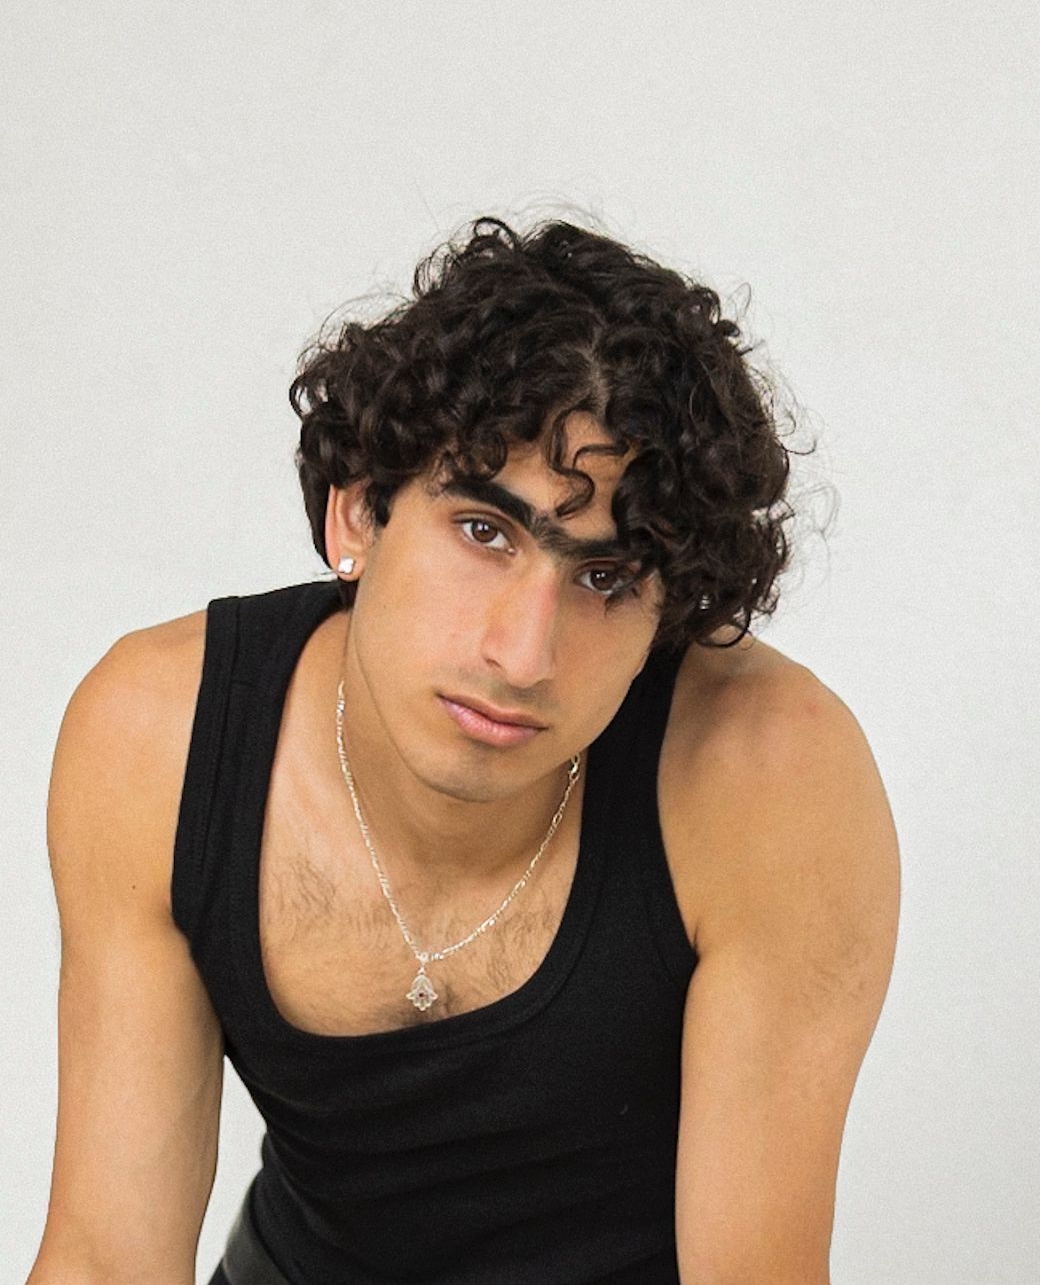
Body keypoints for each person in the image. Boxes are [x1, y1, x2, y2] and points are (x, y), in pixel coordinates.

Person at [29, 217, 900, 1285]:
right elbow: (106, 1259)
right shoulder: (158, 736)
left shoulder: (769, 774)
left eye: (605, 578)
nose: (522, 655)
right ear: (358, 515)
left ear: (669, 613)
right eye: (486, 532)